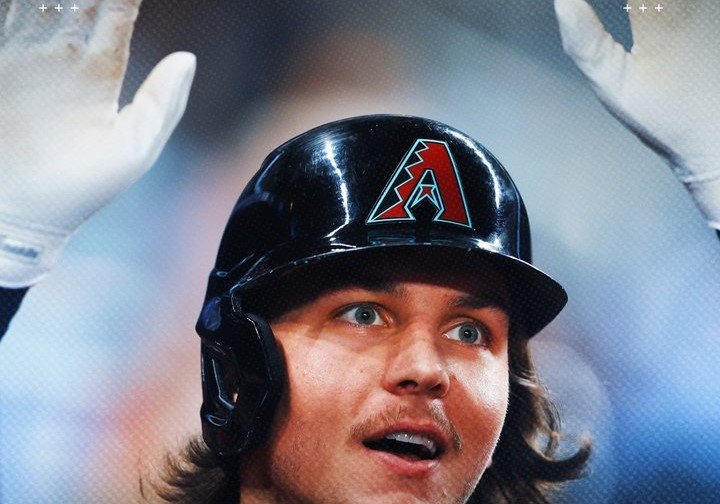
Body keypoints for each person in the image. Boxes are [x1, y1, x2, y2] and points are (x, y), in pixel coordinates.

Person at [0, 1, 717, 503]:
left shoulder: (641, 458)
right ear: (239, 353)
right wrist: (9, 254)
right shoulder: (62, 429)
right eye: (363, 314)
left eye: (471, 331)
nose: (425, 369)